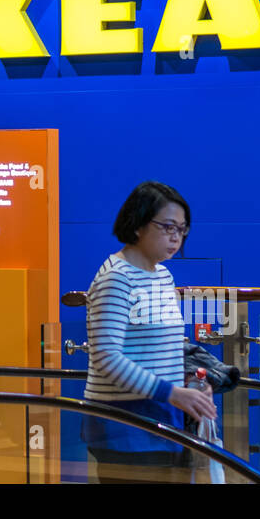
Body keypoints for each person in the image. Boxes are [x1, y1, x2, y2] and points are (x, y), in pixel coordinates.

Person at [81, 180, 217, 483]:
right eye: (167, 227)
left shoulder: (163, 275)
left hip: (162, 415)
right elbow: (106, 357)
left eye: (182, 230)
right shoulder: (117, 278)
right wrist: (172, 393)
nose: (176, 238)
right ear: (138, 224)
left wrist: (189, 386)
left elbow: (163, 350)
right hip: (123, 421)